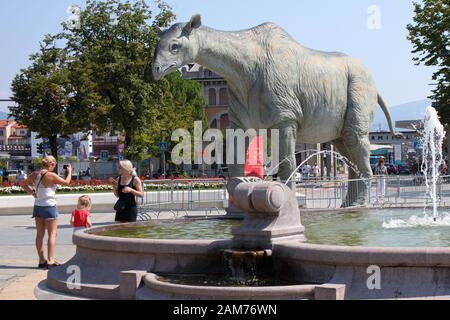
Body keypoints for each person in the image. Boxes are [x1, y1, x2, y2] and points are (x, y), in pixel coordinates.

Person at [23, 156, 72, 269]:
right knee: (52, 234)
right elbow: (66, 183)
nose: (54, 168)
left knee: (40, 234)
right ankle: (50, 260)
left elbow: (23, 184)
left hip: (38, 206)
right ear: (50, 164)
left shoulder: (34, 174)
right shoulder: (51, 175)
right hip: (49, 206)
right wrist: (69, 172)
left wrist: (33, 193)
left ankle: (41, 260)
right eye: (54, 165)